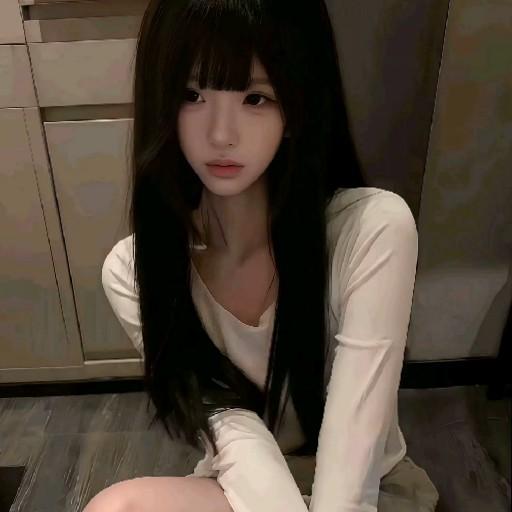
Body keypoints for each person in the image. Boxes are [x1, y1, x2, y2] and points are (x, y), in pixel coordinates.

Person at [87, 0, 440, 511]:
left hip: (366, 487)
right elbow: (235, 436)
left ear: (297, 104)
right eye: (191, 94)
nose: (221, 135)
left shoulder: (371, 228)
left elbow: (352, 463)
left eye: (255, 97)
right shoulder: (133, 270)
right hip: (249, 482)